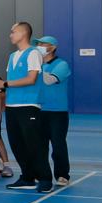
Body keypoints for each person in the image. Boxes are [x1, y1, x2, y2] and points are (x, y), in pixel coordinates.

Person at [0, 21, 50, 193]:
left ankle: (45, 178)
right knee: (17, 144)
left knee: (34, 144)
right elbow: (12, 81)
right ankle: (27, 177)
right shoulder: (12, 56)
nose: (10, 35)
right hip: (12, 106)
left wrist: (4, 84)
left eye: (13, 31)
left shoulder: (33, 53)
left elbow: (31, 79)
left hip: (28, 105)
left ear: (23, 33)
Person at [37, 36, 72, 186]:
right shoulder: (37, 65)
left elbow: (50, 80)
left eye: (42, 44)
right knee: (39, 145)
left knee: (58, 144)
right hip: (38, 110)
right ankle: (42, 174)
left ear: (52, 47)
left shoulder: (61, 64)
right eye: (38, 44)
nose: (39, 46)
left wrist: (36, 69)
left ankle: (62, 174)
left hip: (57, 111)